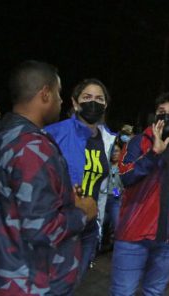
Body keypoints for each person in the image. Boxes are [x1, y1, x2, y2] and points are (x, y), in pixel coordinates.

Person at [0, 60, 97, 295]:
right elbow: (41, 229)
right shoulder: (32, 148)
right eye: (58, 94)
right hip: (27, 283)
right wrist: (82, 212)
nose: (60, 101)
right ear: (45, 94)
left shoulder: (4, 137)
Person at [111, 92, 169, 296]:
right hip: (132, 235)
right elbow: (126, 177)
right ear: (155, 115)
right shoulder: (137, 142)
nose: (166, 116)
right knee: (123, 292)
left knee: (154, 291)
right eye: (162, 112)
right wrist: (153, 154)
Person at [45, 78, 116, 279]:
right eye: (87, 97)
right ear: (75, 103)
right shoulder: (54, 133)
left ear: (105, 105)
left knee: (73, 283)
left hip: (89, 228)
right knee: (51, 284)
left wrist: (99, 225)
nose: (93, 102)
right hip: (61, 224)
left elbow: (102, 186)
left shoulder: (107, 139)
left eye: (99, 98)